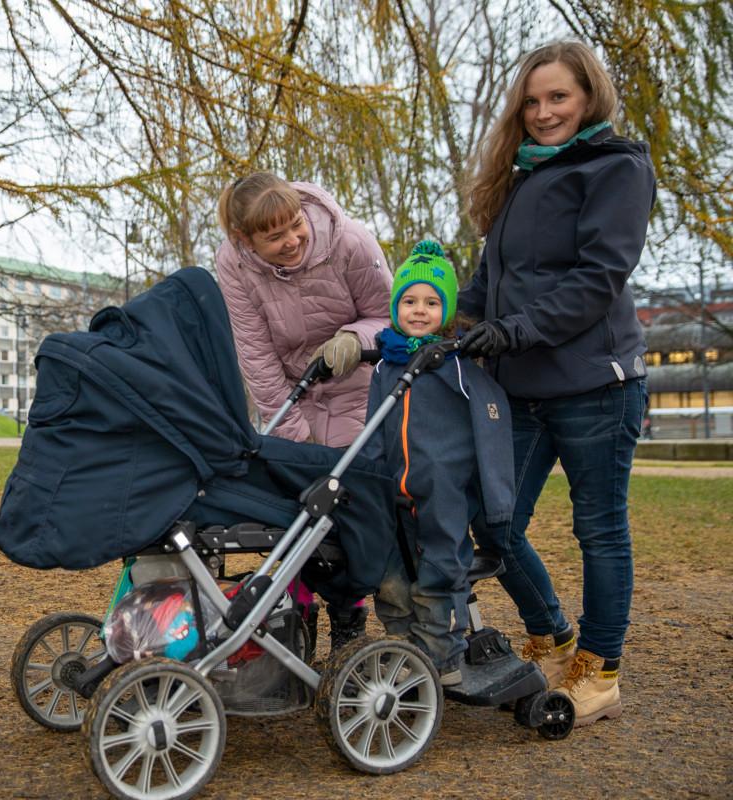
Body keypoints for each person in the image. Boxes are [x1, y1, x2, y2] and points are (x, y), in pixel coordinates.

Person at [457, 40, 655, 725]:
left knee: (598, 529)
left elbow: (597, 280)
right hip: (521, 386)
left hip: (595, 383)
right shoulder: (523, 176)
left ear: (588, 96)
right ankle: (553, 632)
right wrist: (456, 324)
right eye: (533, 101)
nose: (543, 112)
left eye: (558, 97)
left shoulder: (615, 167)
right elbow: (492, 277)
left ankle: (598, 671)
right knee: (491, 518)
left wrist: (513, 331)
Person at [215, 172, 392, 650]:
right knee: (289, 507)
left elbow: (390, 315)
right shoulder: (233, 265)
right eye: (275, 237)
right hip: (292, 392)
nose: (293, 240)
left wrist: (355, 339)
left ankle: (349, 617)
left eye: (295, 226)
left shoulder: (349, 241)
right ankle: (297, 614)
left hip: (357, 384)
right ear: (245, 240)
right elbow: (254, 352)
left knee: (343, 507)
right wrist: (294, 433)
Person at [364, 241, 515, 686]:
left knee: (439, 572)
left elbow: (492, 424)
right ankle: (404, 648)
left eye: (431, 302)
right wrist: (370, 477)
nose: (418, 310)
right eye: (409, 301)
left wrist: (493, 495)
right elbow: (373, 425)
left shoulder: (458, 365)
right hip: (392, 487)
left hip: (444, 490)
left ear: (446, 310)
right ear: (395, 307)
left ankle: (441, 658)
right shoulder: (383, 366)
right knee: (392, 576)